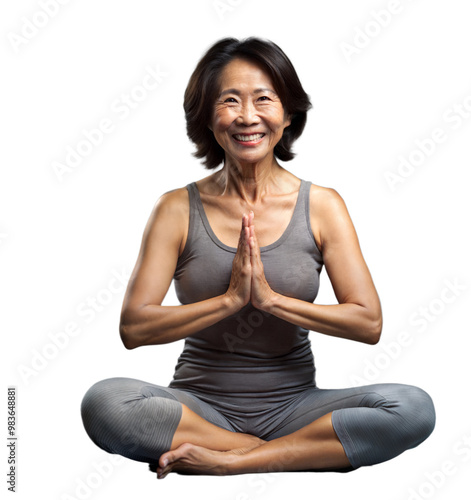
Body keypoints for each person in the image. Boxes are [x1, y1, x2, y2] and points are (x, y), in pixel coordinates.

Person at [81, 37, 435, 478]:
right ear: (208, 118)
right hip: (198, 410)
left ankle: (230, 462)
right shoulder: (175, 209)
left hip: (296, 407)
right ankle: (283, 453)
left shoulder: (322, 205)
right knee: (105, 403)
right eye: (230, 101)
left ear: (288, 115)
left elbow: (368, 323)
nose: (247, 117)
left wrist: (271, 301)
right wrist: (229, 301)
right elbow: (133, 328)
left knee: (412, 408)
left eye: (263, 99)